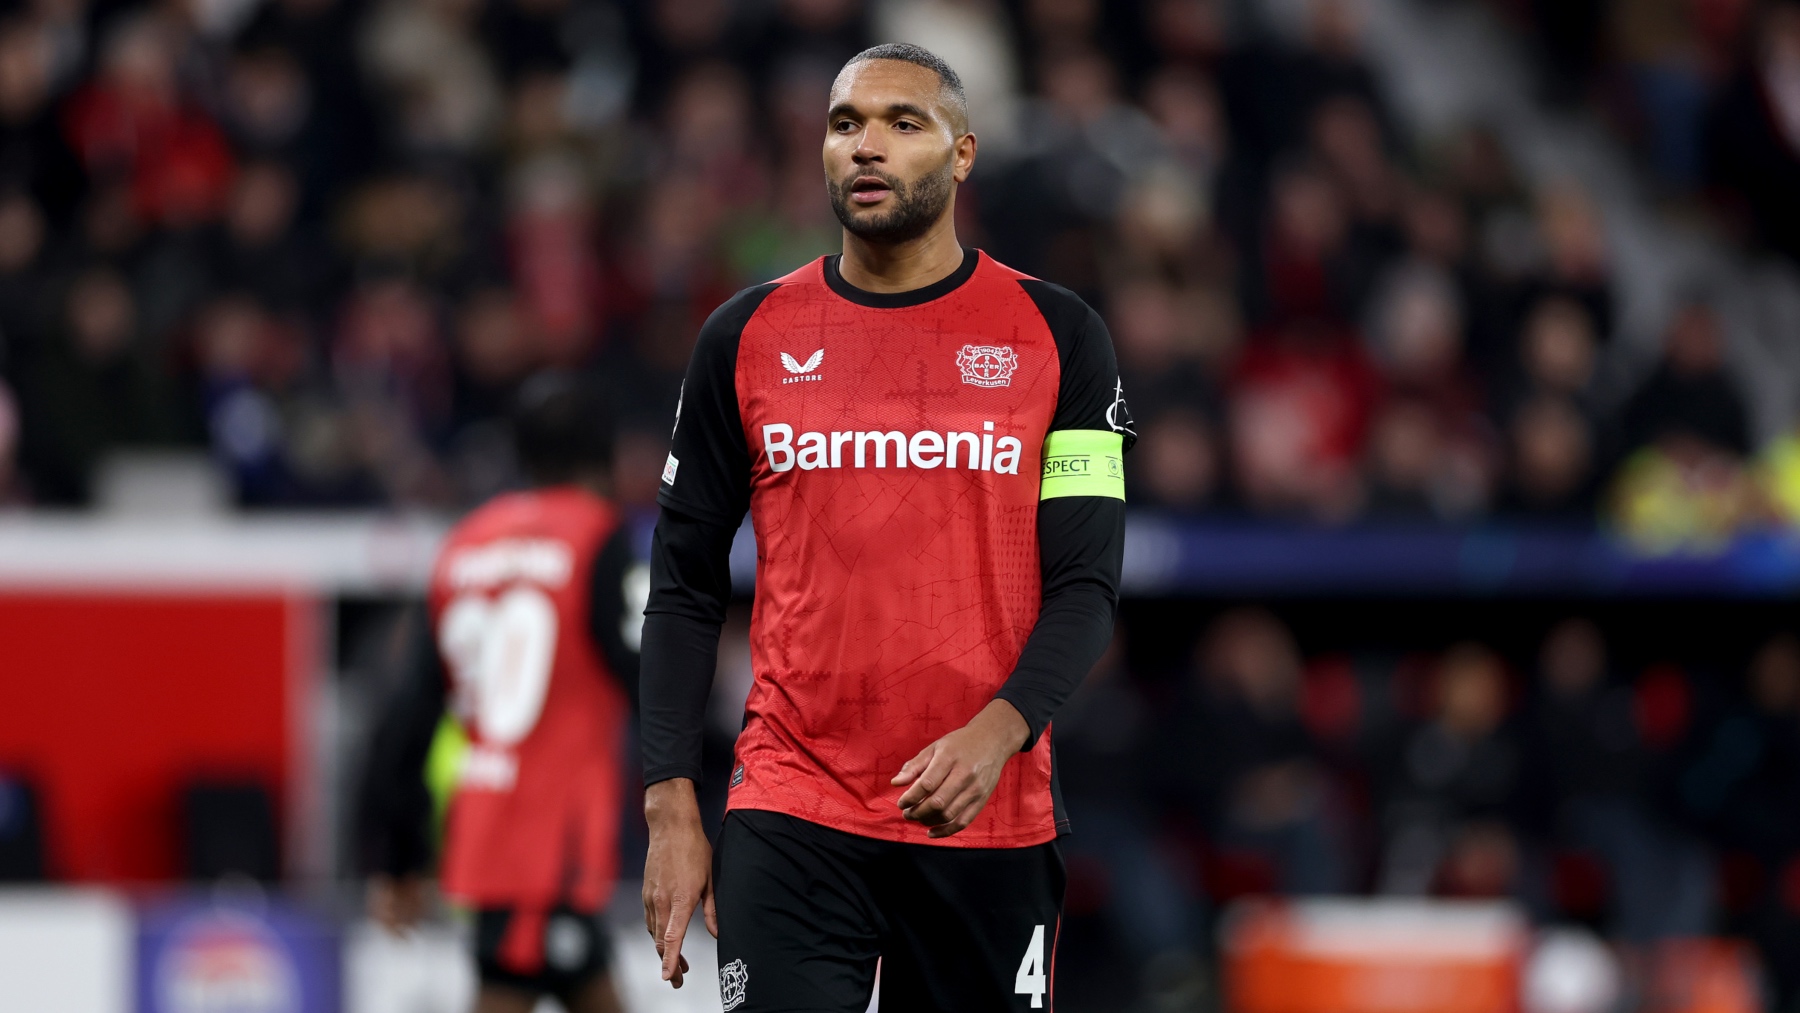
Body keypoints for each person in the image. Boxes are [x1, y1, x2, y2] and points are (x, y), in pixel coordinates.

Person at [638, 42, 1133, 1012]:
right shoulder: (744, 337)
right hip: (795, 804)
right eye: (845, 124)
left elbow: (1085, 586)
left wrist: (998, 731)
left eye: (904, 124)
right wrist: (670, 802)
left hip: (987, 815)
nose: (867, 146)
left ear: (962, 155)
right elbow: (683, 577)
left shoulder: (1061, 335)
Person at [358, 373, 642, 1013]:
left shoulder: (465, 543)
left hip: (483, 825)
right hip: (553, 836)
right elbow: (652, 681)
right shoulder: (597, 537)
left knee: (578, 987)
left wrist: (396, 858)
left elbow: (405, 719)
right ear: (608, 455)